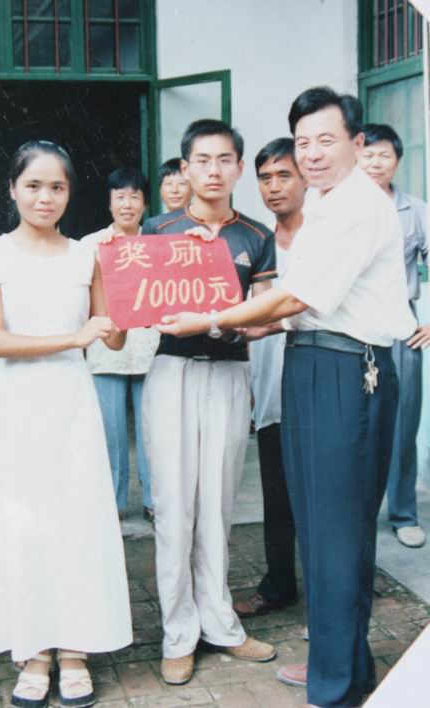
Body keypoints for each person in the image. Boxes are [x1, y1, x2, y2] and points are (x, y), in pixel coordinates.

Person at [158, 88, 417, 708]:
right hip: (313, 360)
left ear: (357, 142)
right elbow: (306, 300)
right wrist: (265, 325)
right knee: (323, 527)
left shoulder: (358, 205)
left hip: (346, 371)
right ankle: (341, 664)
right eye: (303, 142)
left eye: (326, 140)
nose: (312, 154)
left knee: (335, 531)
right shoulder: (327, 202)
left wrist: (212, 320)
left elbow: (300, 296)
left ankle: (335, 688)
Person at [0, 141, 132, 708]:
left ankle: (74, 650)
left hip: (72, 402)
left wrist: (126, 305)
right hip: (18, 402)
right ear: (13, 189)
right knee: (26, 522)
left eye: (57, 187)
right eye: (34, 185)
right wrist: (75, 337)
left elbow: (113, 336)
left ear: (69, 193)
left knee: (76, 521)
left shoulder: (86, 255)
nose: (46, 197)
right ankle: (33, 650)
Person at [141, 119, 278, 685]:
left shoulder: (255, 235)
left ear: (239, 167)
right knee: (174, 502)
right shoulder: (159, 228)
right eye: (202, 160)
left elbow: (266, 310)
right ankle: (178, 633)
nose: (214, 170)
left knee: (219, 501)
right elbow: (142, 306)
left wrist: (234, 324)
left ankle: (221, 624)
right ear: (185, 168)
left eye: (225, 160)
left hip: (228, 373)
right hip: (172, 371)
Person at [233, 138, 306, 621]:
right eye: (265, 178)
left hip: (317, 388)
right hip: (270, 389)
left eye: (284, 175)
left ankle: (330, 592)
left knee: (320, 499)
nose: (274, 186)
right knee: (277, 498)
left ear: (304, 179)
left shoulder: (323, 237)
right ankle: (279, 585)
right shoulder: (257, 242)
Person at [359, 123, 429, 548]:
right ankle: (358, 512)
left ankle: (403, 513)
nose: (375, 162)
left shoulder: (416, 210)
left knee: (403, 420)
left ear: (397, 161)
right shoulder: (340, 205)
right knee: (356, 419)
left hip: (401, 322)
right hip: (352, 321)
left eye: (383, 155)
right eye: (367, 154)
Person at [81, 167, 159, 523]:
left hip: (151, 347)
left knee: (151, 430)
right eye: (120, 197)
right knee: (110, 432)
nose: (127, 204)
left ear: (145, 203)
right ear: (109, 203)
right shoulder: (90, 245)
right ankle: (113, 503)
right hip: (105, 350)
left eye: (134, 197)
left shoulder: (158, 242)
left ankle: (154, 499)